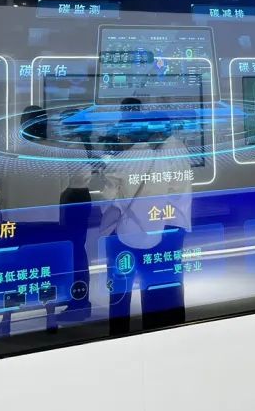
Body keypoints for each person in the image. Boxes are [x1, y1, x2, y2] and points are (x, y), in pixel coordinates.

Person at [99, 101, 193, 335]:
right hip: (166, 224)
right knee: (164, 279)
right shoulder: (171, 151)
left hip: (155, 226)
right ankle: (165, 328)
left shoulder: (146, 156)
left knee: (123, 286)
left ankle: (123, 332)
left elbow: (109, 201)